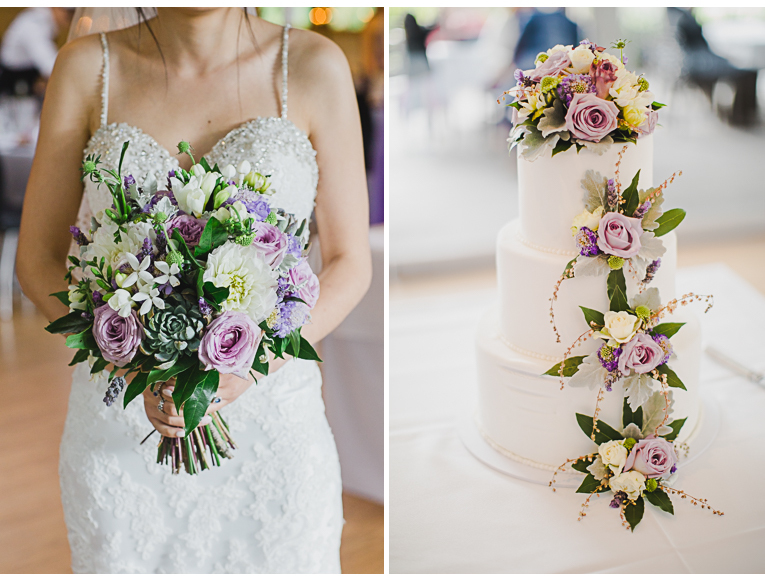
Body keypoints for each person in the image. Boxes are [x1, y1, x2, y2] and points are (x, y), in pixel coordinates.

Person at [16, 8, 371, 573]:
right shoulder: (86, 68)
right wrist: (133, 363)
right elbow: (36, 260)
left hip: (272, 423)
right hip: (121, 425)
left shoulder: (312, 66)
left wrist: (245, 369)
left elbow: (351, 262)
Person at [0, 7, 74, 96]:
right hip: (14, 98)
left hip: (27, 88)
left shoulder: (43, 22)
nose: (71, 17)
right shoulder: (33, 25)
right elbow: (52, 68)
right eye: (68, 12)